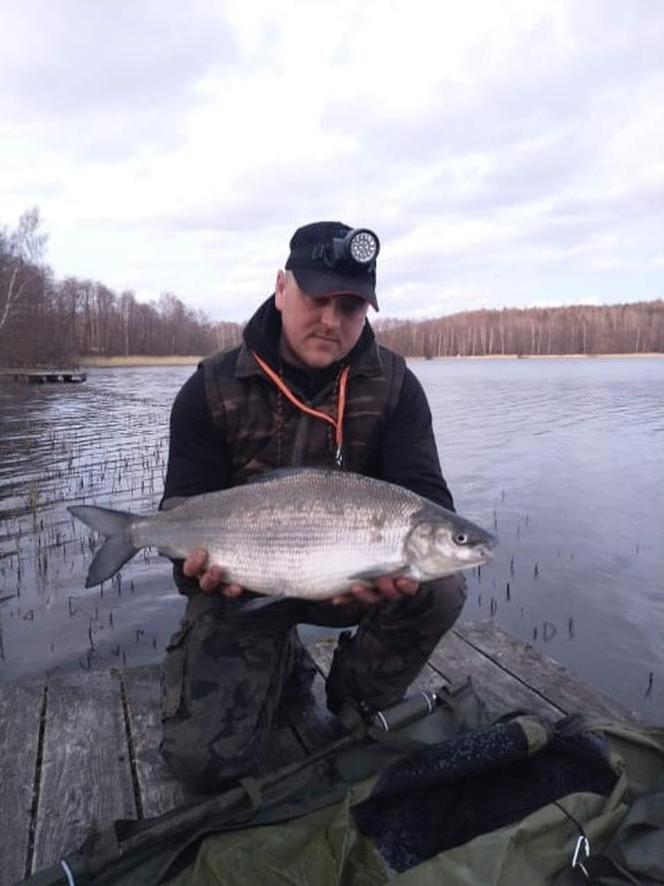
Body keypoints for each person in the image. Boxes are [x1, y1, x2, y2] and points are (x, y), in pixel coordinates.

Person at [159, 220, 467, 792]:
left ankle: (357, 699)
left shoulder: (396, 387)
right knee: (204, 766)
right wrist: (194, 570)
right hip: (245, 588)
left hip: (358, 582)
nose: (331, 320)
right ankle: (281, 658)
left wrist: (394, 572)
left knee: (441, 582)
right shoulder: (209, 388)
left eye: (350, 306)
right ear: (281, 288)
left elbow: (430, 499)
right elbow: (179, 514)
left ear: (367, 312)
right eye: (317, 298)